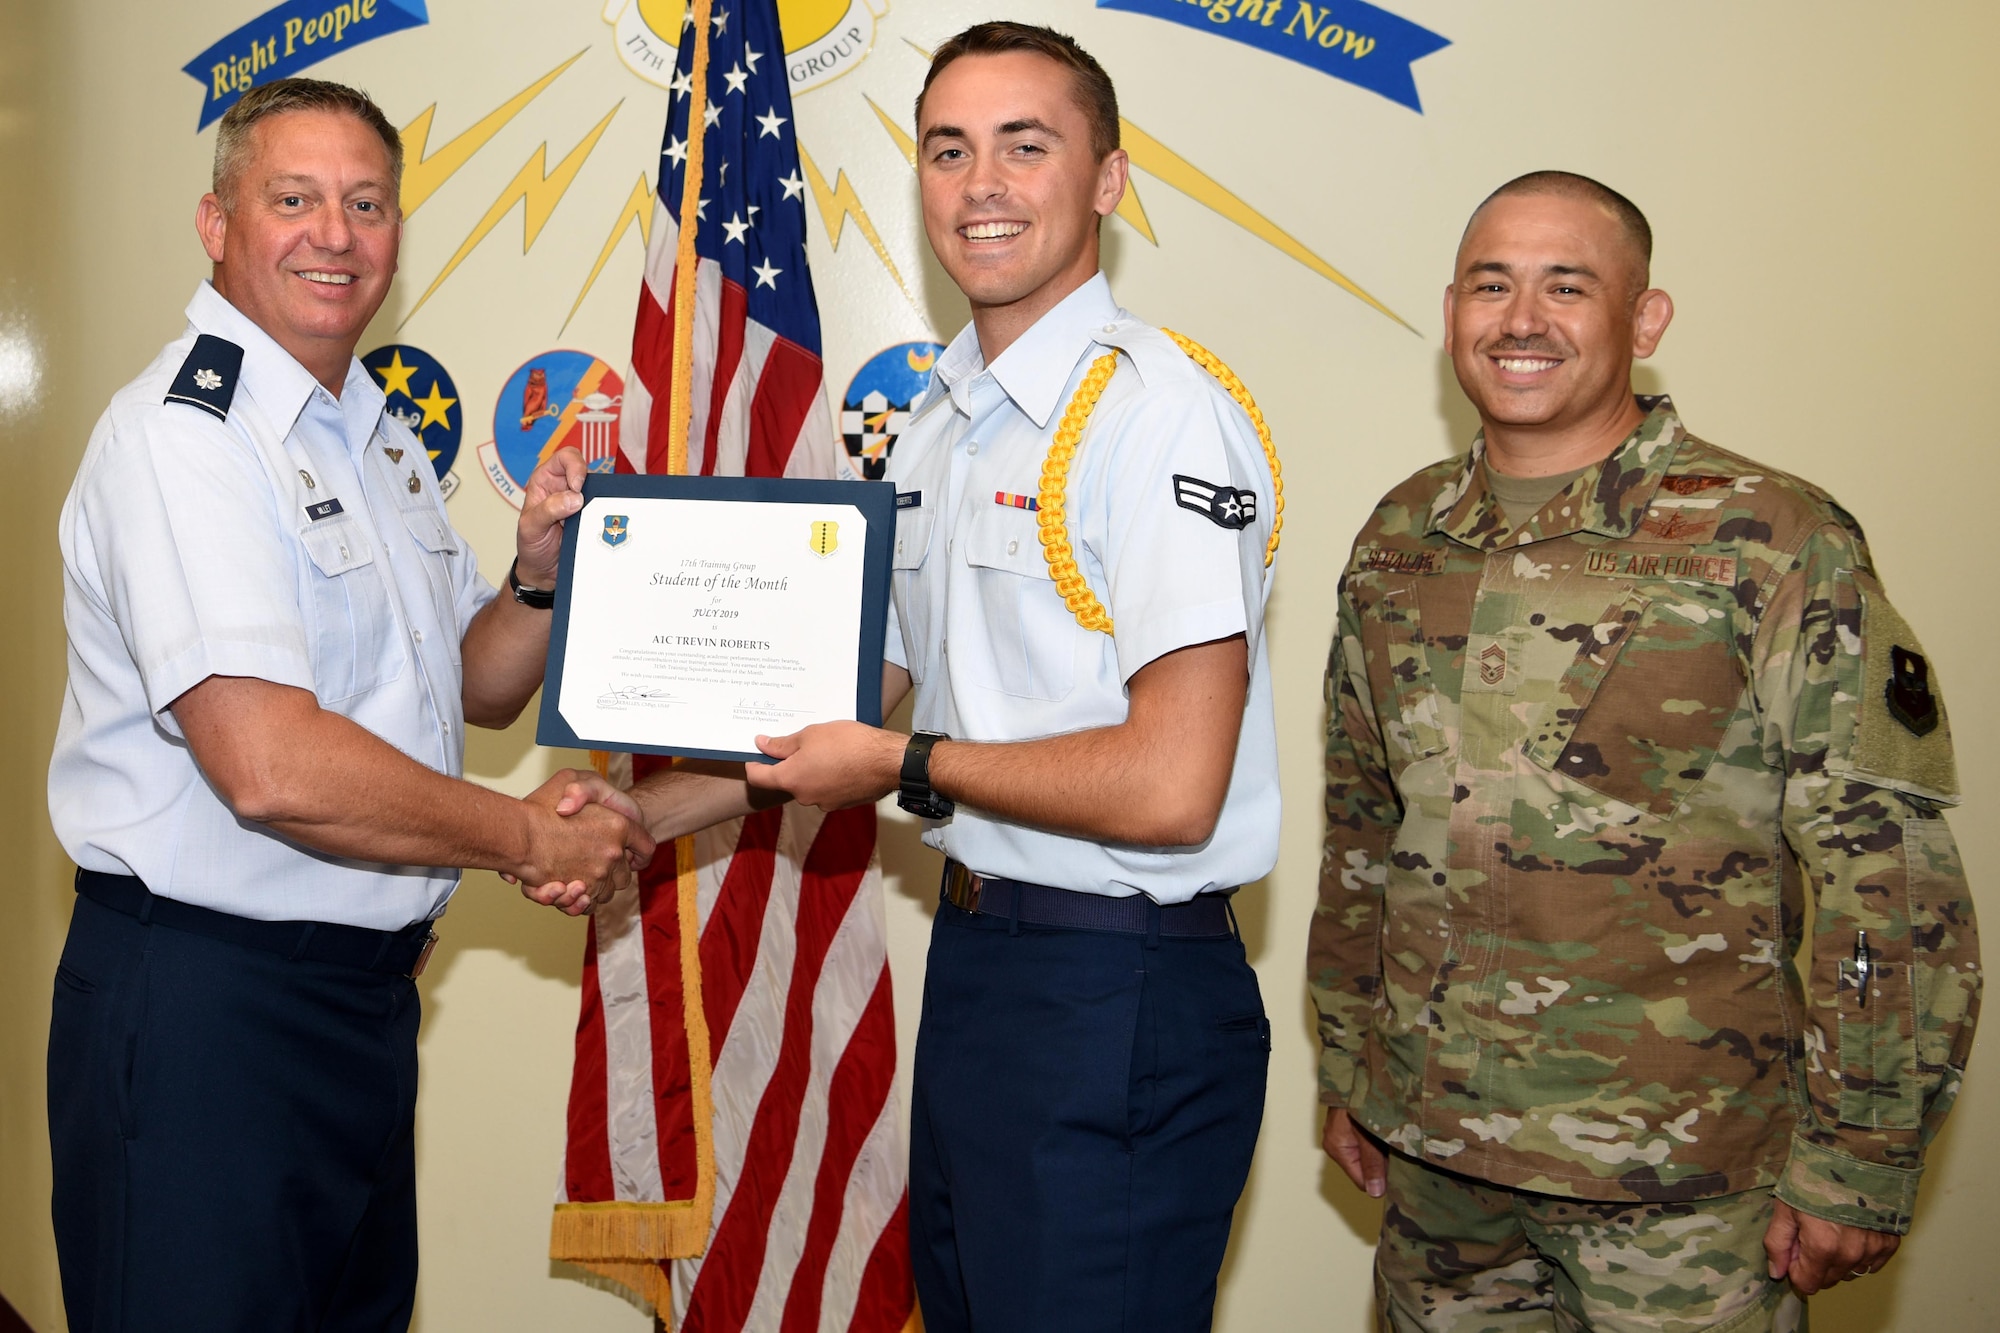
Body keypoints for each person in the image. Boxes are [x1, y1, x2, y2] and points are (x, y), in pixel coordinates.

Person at [552, 21, 1281, 1331]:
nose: (981, 182)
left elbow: (1175, 783)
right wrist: (643, 818)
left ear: (1107, 183)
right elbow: (866, 684)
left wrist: (895, 769)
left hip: (1118, 989)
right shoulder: (943, 420)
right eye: (949, 150)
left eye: (1026, 144)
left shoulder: (1151, 415)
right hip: (990, 963)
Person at [1310, 170, 1982, 1331]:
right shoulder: (1397, 539)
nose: (1519, 319)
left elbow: (1884, 866)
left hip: (1685, 1190)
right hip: (1440, 1175)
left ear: (1643, 318)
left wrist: (1863, 1154)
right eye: (1491, 285)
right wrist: (1350, 1069)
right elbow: (1363, 825)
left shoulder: (1771, 538)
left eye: (1564, 285)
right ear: (1452, 309)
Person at [45, 78, 653, 1331]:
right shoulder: (188, 437)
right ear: (216, 225)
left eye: (366, 203)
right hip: (210, 1012)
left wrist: (537, 578)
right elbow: (269, 764)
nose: (336, 232)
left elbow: (465, 693)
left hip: (357, 1009)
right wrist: (531, 839)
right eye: (294, 199)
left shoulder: (364, 430)